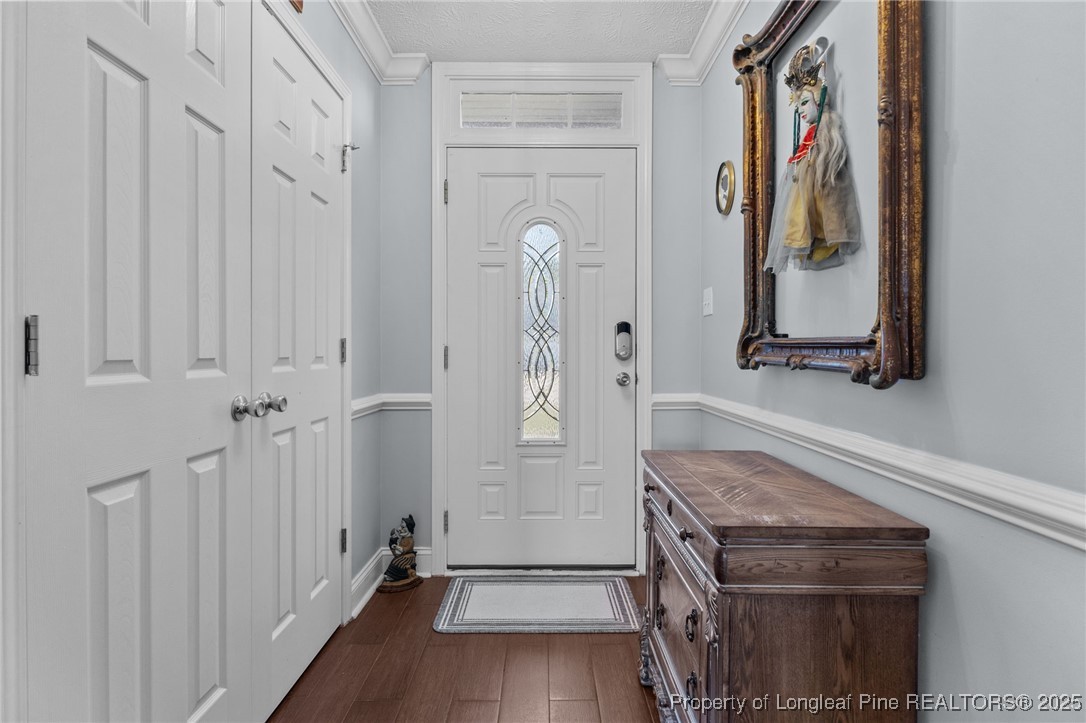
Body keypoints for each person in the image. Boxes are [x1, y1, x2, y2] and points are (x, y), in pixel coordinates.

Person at [764, 44, 862, 272]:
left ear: (820, 100)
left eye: (804, 103)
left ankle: (820, 234)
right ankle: (803, 237)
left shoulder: (825, 131)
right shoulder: (807, 140)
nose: (800, 110)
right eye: (798, 106)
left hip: (821, 189)